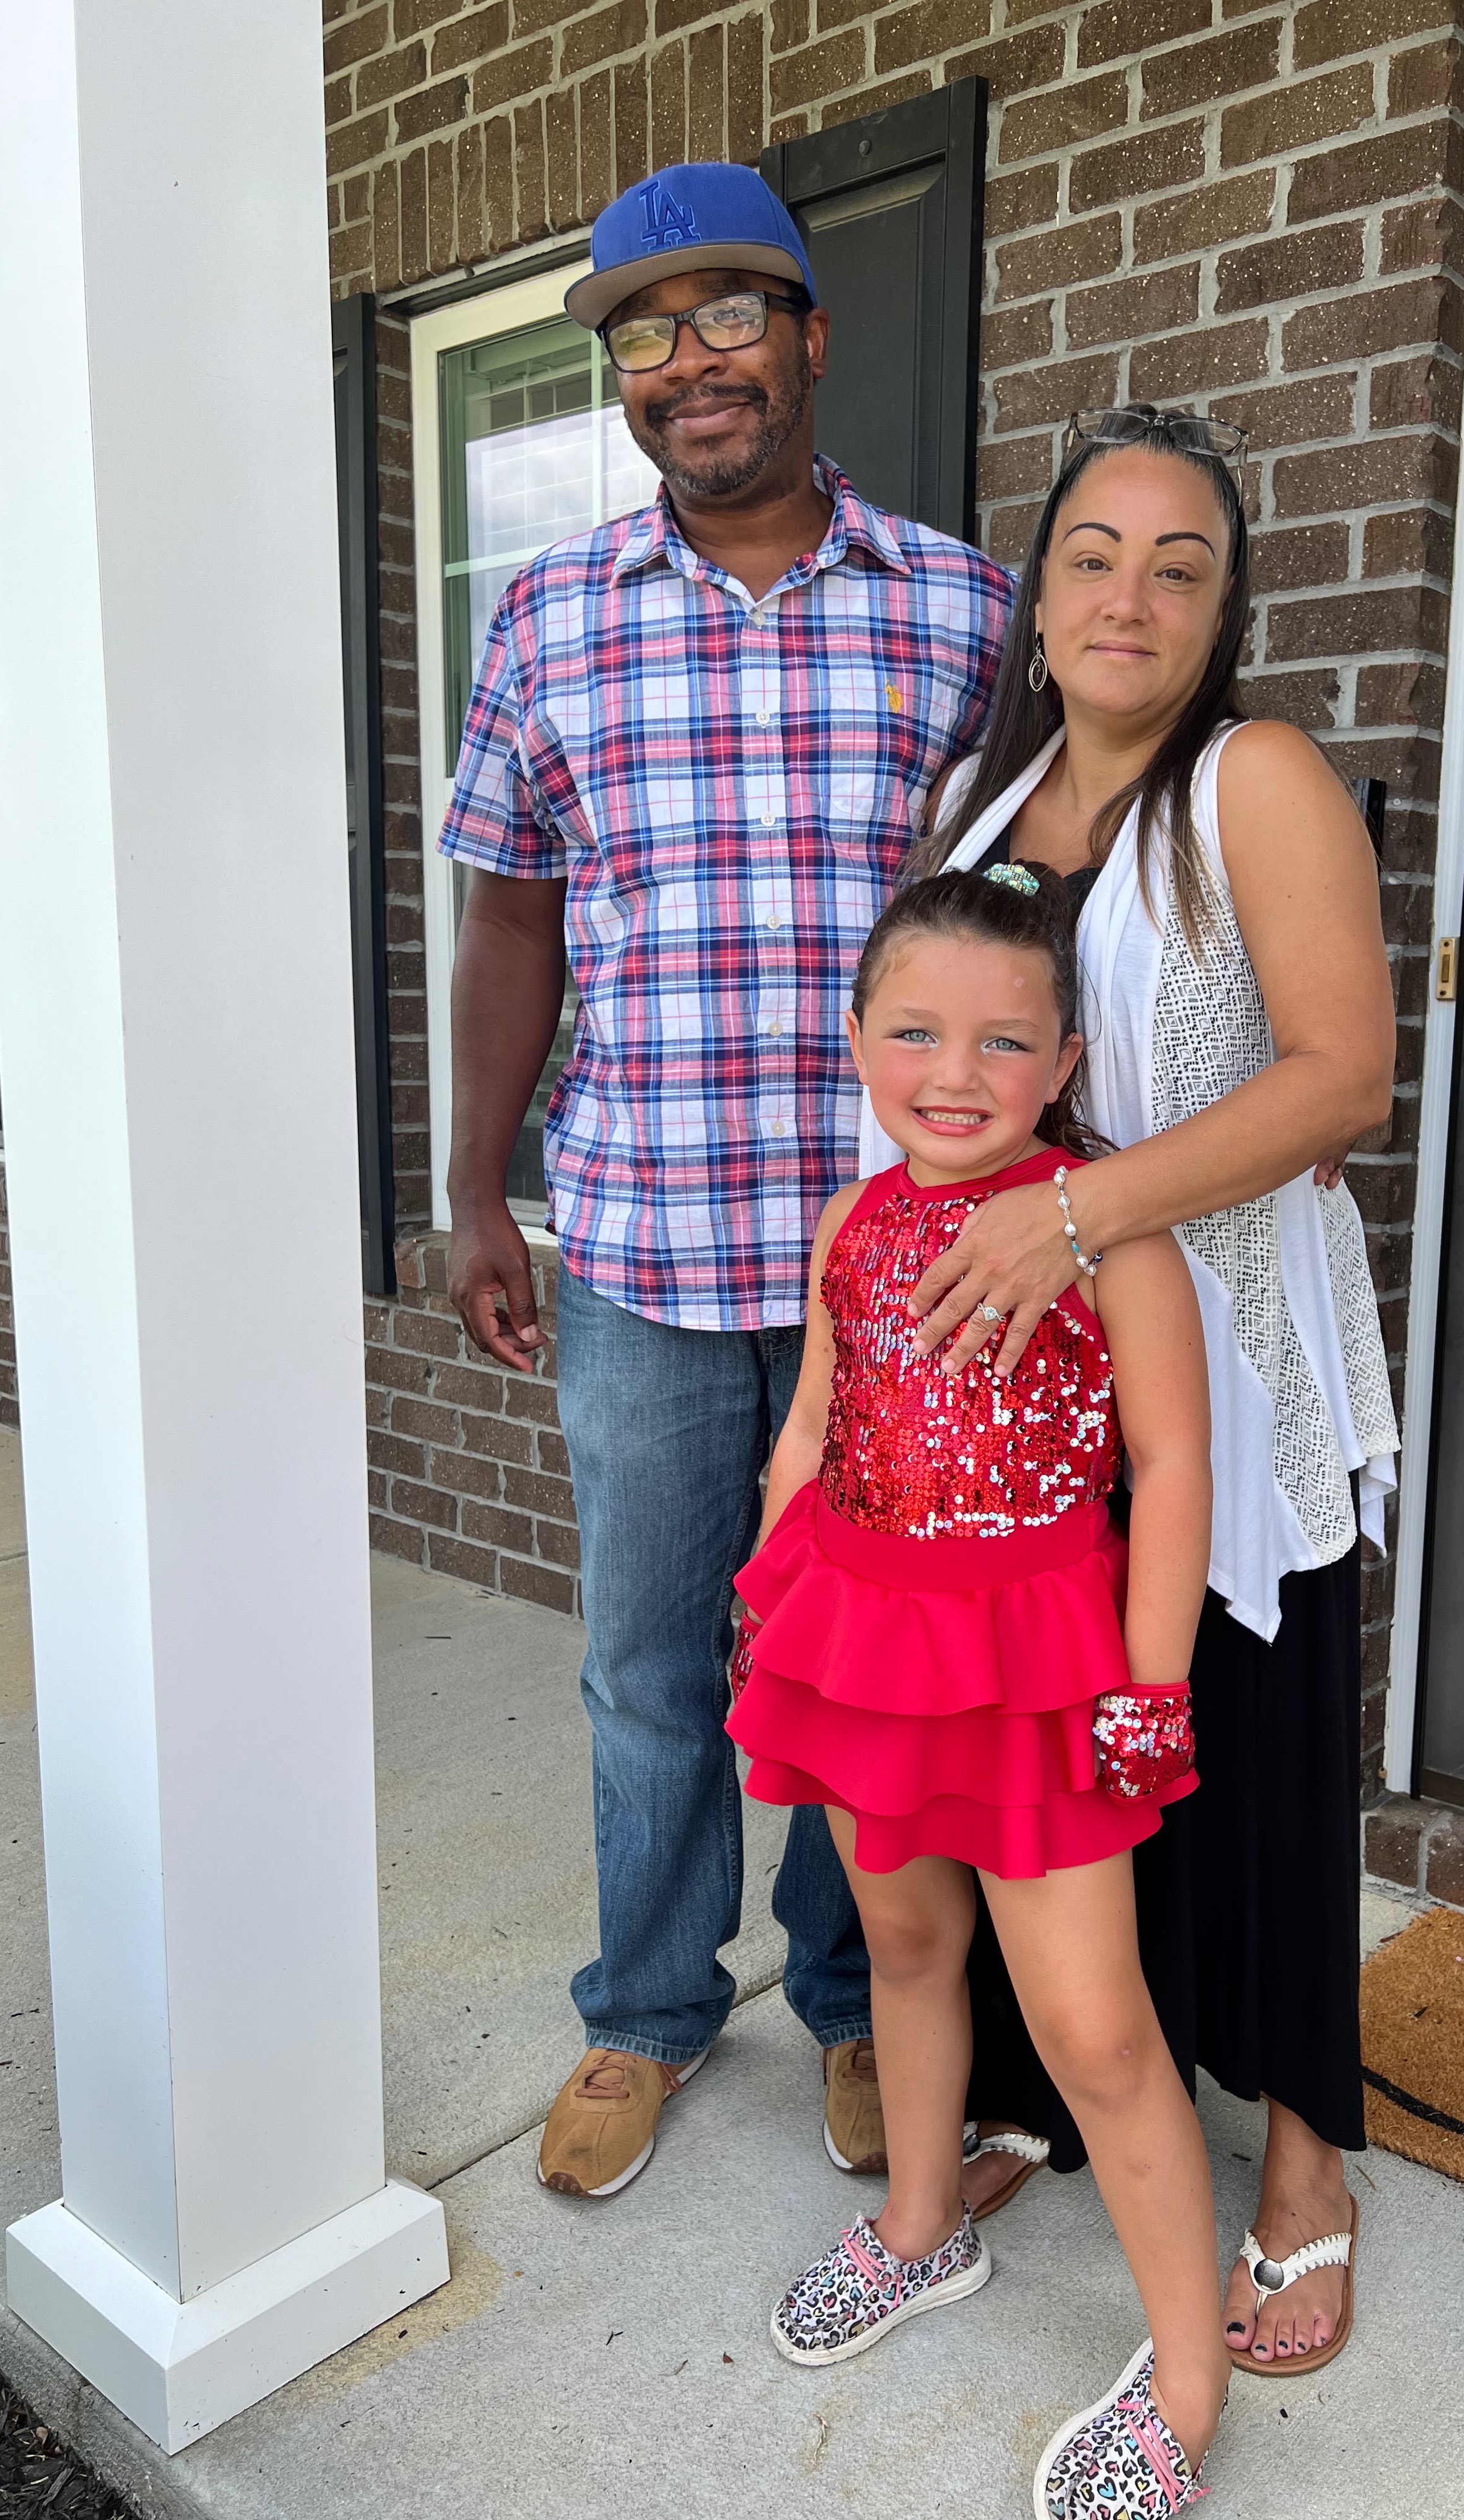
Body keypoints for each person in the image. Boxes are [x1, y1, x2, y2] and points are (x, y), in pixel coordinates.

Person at [439, 161, 1013, 2198]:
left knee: (872, 1666)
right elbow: (510, 920)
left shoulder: (963, 610)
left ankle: (862, 2001)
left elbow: (1028, 932)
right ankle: (651, 2009)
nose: (690, 364)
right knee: (652, 1665)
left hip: (895, 1271)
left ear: (810, 337)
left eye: (729, 316)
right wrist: (476, 1187)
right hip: (645, 1246)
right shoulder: (548, 616)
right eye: (645, 334)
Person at [871, 404, 1399, 2374]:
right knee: (1066, 1756)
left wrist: (1079, 1213)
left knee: (1249, 1758)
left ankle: (1307, 2163)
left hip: (1229, 1376)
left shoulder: (1257, 779)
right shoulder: (977, 803)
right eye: (1095, 556)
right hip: (1027, 1399)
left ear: (1223, 609)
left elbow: (1344, 1077)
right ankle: (1055, 2084)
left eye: (1183, 567)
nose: (1132, 596)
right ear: (1037, 598)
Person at [730, 865, 1227, 2519]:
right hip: (865, 1641)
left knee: (1094, 2026)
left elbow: (1172, 1465)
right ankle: (921, 2227)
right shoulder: (852, 1222)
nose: (956, 1075)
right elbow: (817, 1422)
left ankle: (1189, 2379)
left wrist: (1150, 1690)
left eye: (1005, 1042)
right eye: (916, 1032)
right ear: (856, 1038)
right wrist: (770, 1596)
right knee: (905, 1946)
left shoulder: (1109, 1233)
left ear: (1065, 1063)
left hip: (1038, 1671)